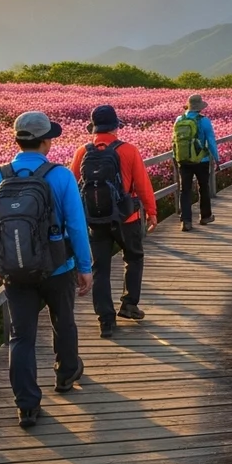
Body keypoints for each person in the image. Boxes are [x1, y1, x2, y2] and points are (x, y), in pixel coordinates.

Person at [0, 111, 92, 428]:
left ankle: (27, 406)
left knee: (21, 337)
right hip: (57, 267)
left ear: (18, 139)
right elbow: (76, 225)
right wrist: (85, 267)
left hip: (15, 271)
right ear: (46, 141)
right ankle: (66, 373)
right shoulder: (60, 176)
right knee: (64, 321)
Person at [70, 106, 157, 339]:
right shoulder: (128, 150)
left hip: (95, 220)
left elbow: (71, 185)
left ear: (94, 127)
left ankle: (106, 321)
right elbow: (142, 184)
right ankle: (129, 304)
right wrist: (152, 211)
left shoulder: (82, 151)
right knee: (134, 257)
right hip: (126, 218)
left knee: (100, 268)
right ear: (116, 126)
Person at [173, 94, 220, 232]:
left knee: (185, 190)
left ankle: (186, 221)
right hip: (201, 160)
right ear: (199, 108)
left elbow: (175, 141)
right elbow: (211, 141)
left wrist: (175, 157)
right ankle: (205, 216)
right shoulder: (204, 121)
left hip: (184, 160)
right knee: (203, 187)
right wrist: (217, 159)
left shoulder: (179, 119)